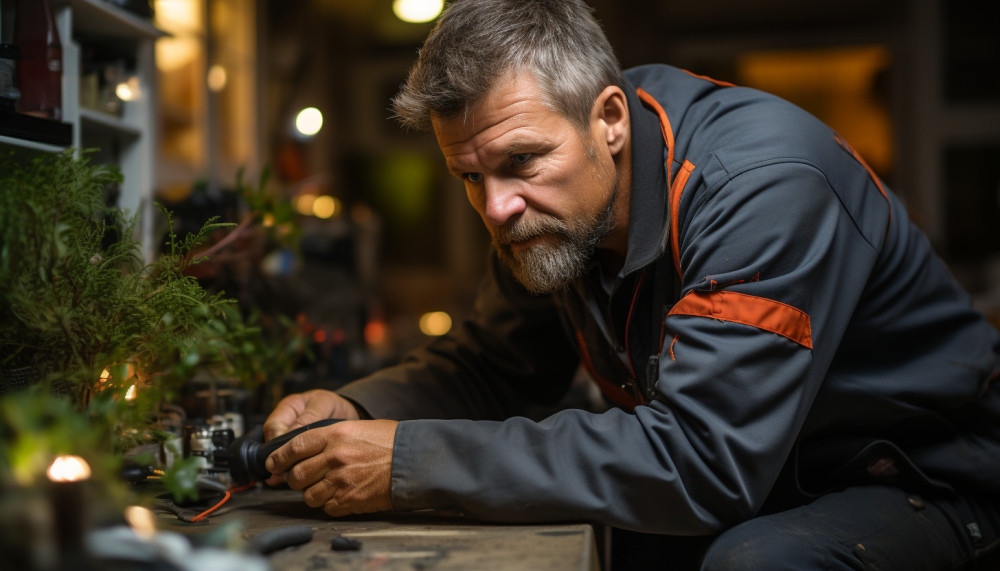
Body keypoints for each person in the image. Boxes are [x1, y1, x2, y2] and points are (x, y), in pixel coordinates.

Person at [262, 0, 1000, 568]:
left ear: (608, 119)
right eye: (469, 176)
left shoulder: (763, 188)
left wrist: (410, 461)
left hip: (935, 475)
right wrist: (358, 406)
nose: (495, 208)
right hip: (782, 471)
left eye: (521, 161)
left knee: (759, 562)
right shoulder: (555, 209)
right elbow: (494, 366)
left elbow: (703, 462)